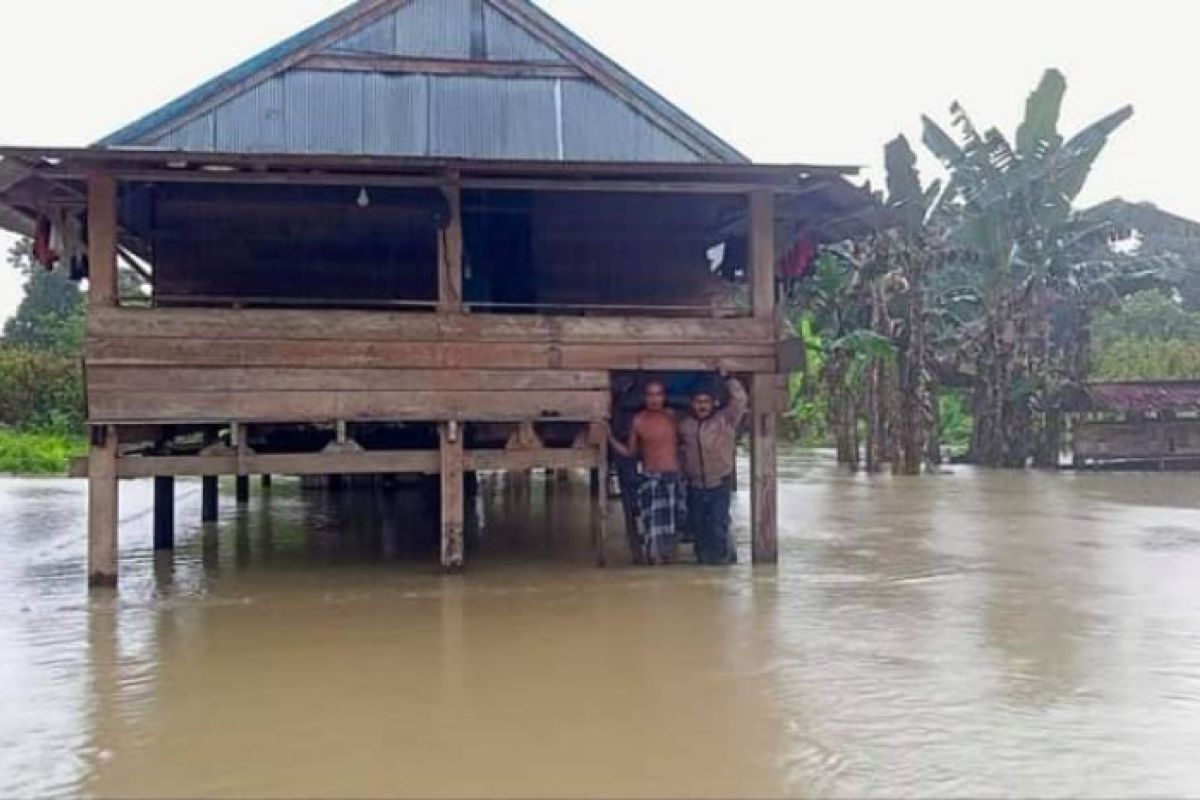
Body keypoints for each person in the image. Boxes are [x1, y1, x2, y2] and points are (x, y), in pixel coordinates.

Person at [608, 380, 686, 565]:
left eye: (658, 394)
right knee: (652, 529)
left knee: (674, 529)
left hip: (673, 478)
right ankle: (655, 567)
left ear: (664, 397)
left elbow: (687, 443)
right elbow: (630, 452)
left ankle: (672, 568)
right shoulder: (638, 420)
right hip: (651, 479)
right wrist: (609, 437)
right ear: (644, 398)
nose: (654, 399)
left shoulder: (672, 417)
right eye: (650, 395)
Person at [678, 367, 748, 565]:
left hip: (720, 482)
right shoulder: (685, 425)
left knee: (718, 526)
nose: (702, 406)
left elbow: (740, 400)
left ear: (713, 403)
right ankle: (703, 566)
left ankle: (720, 566)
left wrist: (729, 378)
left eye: (706, 402)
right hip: (695, 484)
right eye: (698, 402)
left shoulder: (725, 420)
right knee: (698, 528)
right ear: (692, 404)